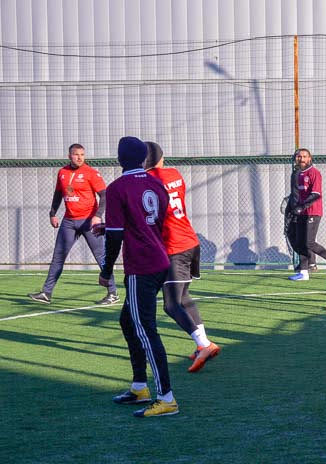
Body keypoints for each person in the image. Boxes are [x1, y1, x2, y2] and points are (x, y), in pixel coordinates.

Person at [98, 136, 178, 417]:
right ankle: (139, 386)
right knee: (127, 321)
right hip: (160, 260)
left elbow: (117, 236)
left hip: (140, 266)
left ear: (120, 159)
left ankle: (166, 397)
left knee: (145, 329)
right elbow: (152, 219)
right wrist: (112, 226)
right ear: (143, 159)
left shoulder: (117, 188)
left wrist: (106, 271)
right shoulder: (156, 183)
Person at [143, 141, 220, 373]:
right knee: (184, 298)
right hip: (190, 241)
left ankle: (204, 344)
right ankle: (205, 343)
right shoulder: (174, 173)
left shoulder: (148, 181)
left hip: (174, 246)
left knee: (171, 304)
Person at [28, 143, 118, 305]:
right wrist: (52, 213)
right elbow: (58, 194)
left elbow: (105, 196)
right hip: (68, 221)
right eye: (76, 154)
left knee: (101, 257)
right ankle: (46, 293)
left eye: (82, 155)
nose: (79, 157)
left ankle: (112, 293)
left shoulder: (91, 173)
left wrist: (98, 216)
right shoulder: (62, 172)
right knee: (58, 257)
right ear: (70, 156)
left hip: (89, 221)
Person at [286, 148, 326, 281]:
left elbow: (316, 195)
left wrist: (301, 207)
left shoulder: (314, 173)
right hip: (301, 212)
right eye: (299, 156)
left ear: (310, 158)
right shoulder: (297, 174)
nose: (302, 159)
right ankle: (304, 273)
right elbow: (296, 195)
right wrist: (294, 208)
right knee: (301, 243)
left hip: (313, 212)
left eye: (305, 156)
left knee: (309, 243)